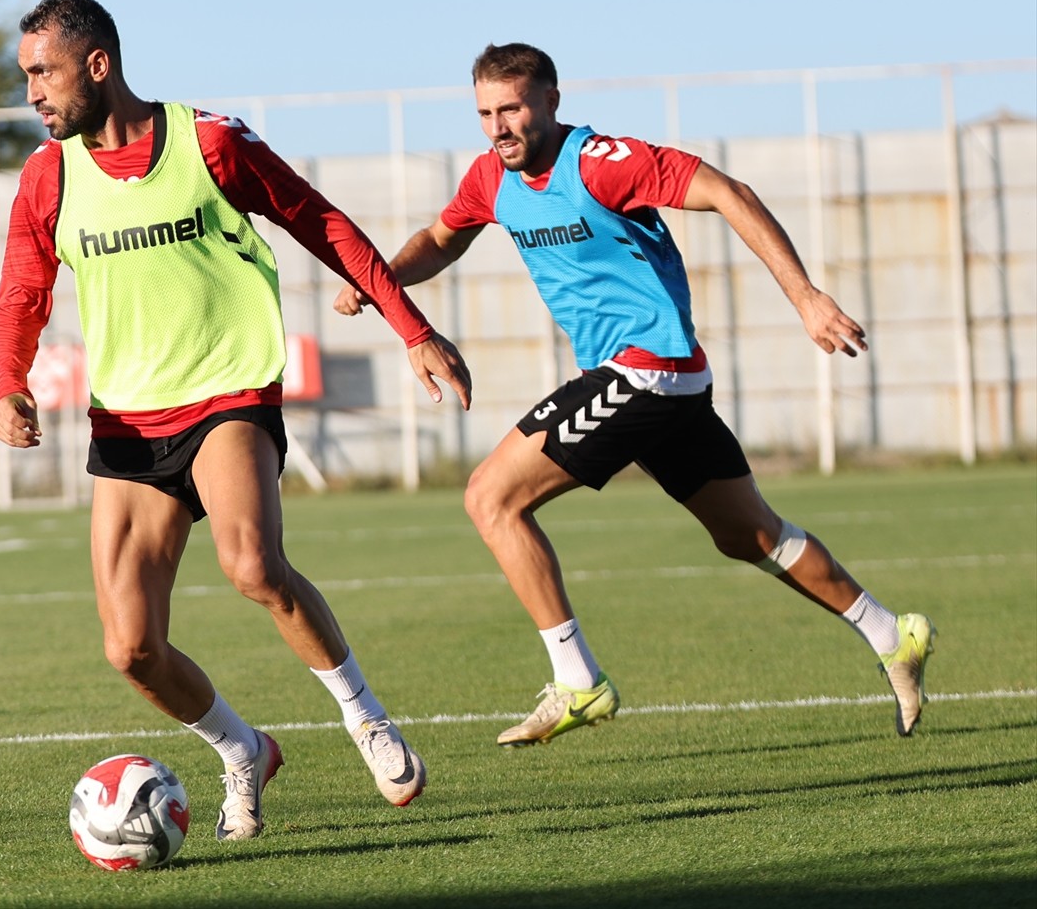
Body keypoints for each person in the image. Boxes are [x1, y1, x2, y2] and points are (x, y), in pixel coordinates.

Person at [335, 42, 935, 747]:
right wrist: (386, 281)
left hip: (646, 369)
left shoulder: (602, 161)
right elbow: (443, 238)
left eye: (514, 108)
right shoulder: (490, 179)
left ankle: (578, 680)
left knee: (490, 498)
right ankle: (893, 633)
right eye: (486, 112)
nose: (499, 125)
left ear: (552, 102)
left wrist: (804, 297)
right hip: (663, 384)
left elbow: (728, 192)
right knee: (749, 535)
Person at [0, 0, 473, 839]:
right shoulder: (47, 176)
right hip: (129, 424)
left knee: (252, 565)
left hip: (228, 393)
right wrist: (6, 382)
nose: (32, 90)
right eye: (26, 73)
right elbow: (23, 291)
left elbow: (319, 221)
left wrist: (413, 328)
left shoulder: (209, 142)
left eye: (44, 72)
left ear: (97, 66)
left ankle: (365, 715)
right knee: (130, 650)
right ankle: (243, 748)